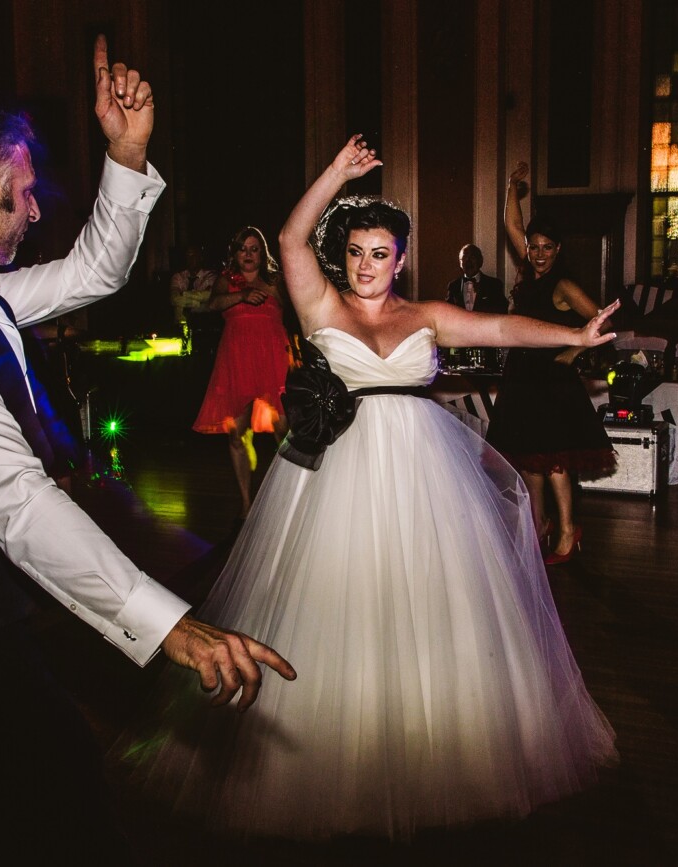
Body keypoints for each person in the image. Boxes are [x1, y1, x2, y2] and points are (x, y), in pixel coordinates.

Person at [0, 37, 293, 860]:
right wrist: (174, 627)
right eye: (25, 193)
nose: (36, 210)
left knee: (40, 798)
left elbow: (94, 272)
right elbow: (18, 501)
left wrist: (128, 154)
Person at [118, 136, 618, 840]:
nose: (366, 265)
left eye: (380, 253)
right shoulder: (320, 305)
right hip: (336, 482)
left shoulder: (424, 315)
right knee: (336, 604)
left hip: (424, 480)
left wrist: (578, 332)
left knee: (434, 608)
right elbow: (291, 236)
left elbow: (502, 325)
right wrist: (335, 174)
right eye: (356, 251)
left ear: (401, 259)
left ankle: (439, 747)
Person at [486, 160, 616, 564]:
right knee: (530, 462)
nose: (539, 254)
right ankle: (537, 529)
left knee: (554, 461)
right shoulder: (528, 274)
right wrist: (511, 187)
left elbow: (601, 320)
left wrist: (575, 350)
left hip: (552, 382)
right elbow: (512, 226)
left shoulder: (563, 285)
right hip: (523, 378)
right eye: (534, 247)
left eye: (546, 248)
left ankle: (567, 530)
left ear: (558, 250)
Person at [192, 226, 292, 517]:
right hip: (236, 360)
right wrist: (243, 295)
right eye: (243, 249)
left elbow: (298, 310)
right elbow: (212, 304)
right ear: (235, 253)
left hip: (273, 358)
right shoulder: (226, 282)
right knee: (237, 433)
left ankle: (287, 495)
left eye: (254, 248)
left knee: (283, 430)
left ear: (262, 253)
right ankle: (247, 503)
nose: (248, 254)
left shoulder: (275, 281)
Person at [169, 244, 217, 346]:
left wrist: (184, 294)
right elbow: (174, 299)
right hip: (179, 326)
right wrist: (198, 301)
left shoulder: (210, 276)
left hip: (203, 325)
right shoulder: (178, 277)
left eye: (194, 256)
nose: (191, 259)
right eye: (188, 256)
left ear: (200, 257)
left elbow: (209, 296)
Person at [445, 242, 508, 312]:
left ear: (480, 261)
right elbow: (447, 312)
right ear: (460, 263)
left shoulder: (494, 285)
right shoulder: (453, 286)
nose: (468, 261)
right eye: (465, 257)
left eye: (472, 257)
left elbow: (501, 310)